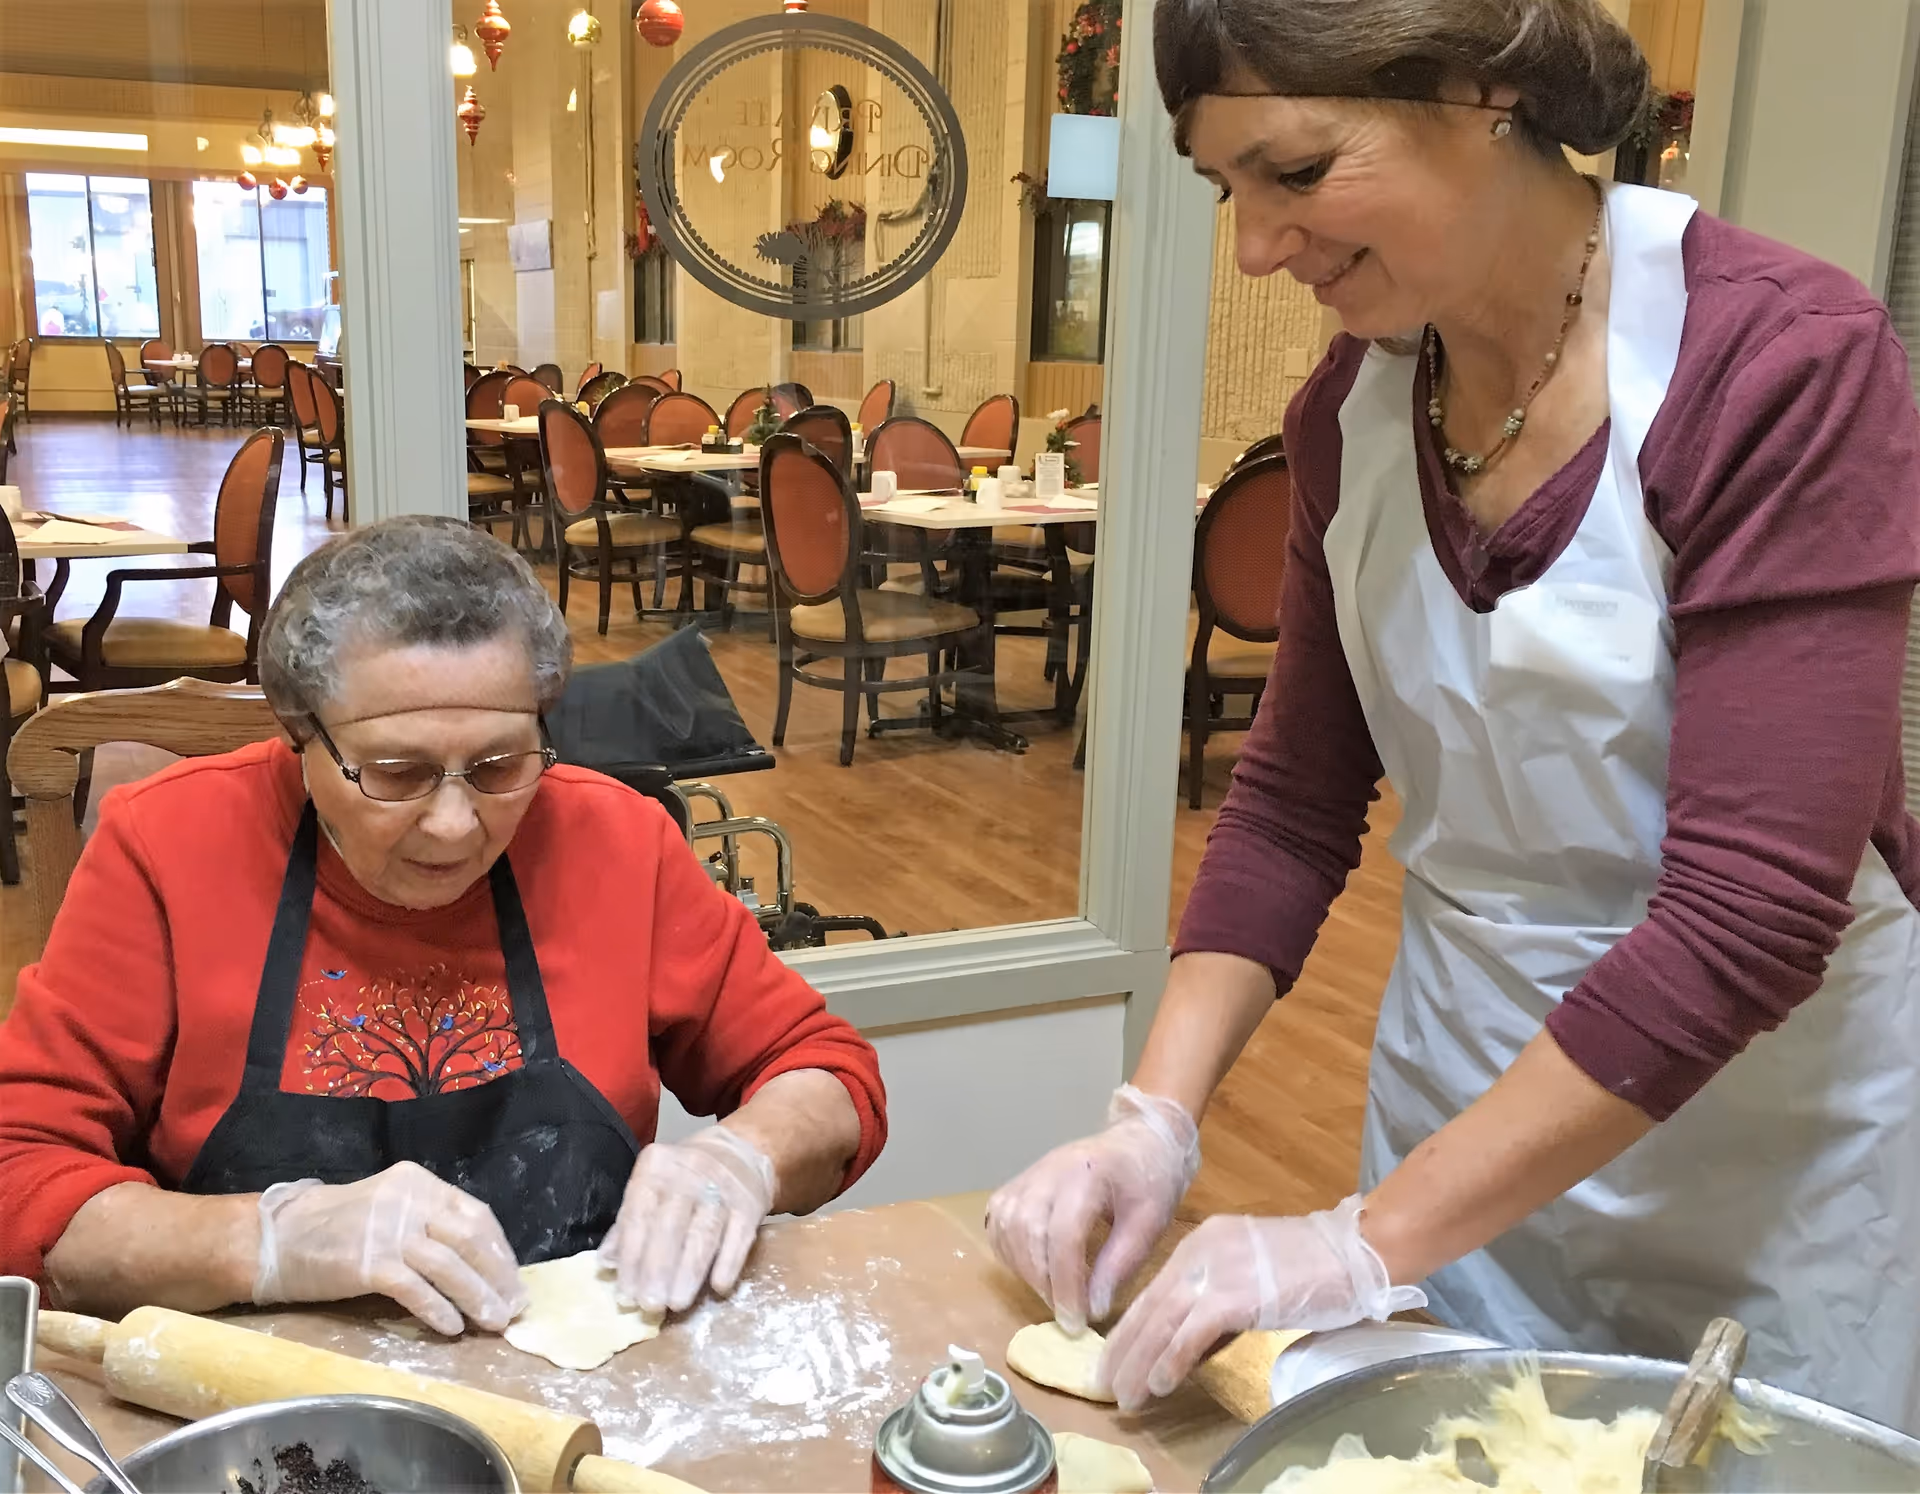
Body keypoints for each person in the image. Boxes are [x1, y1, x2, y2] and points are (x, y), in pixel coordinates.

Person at [989, 0, 1920, 1429]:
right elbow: (1296, 799)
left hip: (1768, 1150)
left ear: (1485, 91)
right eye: (1227, 189)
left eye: (1296, 174)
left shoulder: (1776, 364)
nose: (1256, 246)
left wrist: (1360, 1236)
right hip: (1466, 1117)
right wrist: (1155, 1118)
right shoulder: (1347, 418)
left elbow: (1752, 913)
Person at [0, 517, 887, 1337]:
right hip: (262, 1396)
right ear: (298, 732)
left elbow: (828, 1074)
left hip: (578, 1391)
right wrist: (262, 1241)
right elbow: (18, 1171)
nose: (456, 824)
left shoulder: (616, 841)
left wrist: (742, 1160)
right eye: (397, 773)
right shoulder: (168, 845)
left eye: (501, 766)